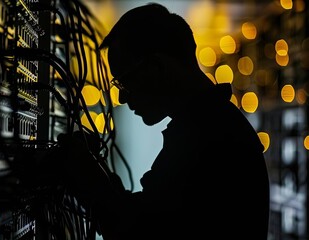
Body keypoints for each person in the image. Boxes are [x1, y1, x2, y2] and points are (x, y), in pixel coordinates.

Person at [58, 2, 270, 239]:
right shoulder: (214, 125)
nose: (121, 97)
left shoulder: (208, 137)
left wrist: (86, 174)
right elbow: (147, 216)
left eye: (125, 82)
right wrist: (94, 170)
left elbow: (135, 232)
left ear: (157, 66)